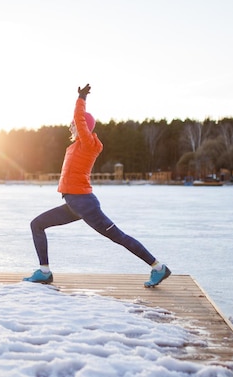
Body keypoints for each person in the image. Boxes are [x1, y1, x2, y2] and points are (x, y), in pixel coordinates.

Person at [23, 84, 171, 288]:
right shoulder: (77, 146)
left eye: (73, 124)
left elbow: (81, 120)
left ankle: (158, 267)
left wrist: (81, 98)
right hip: (75, 204)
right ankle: (44, 272)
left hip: (85, 205)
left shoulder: (88, 144)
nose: (71, 127)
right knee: (37, 224)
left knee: (119, 237)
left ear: (84, 126)